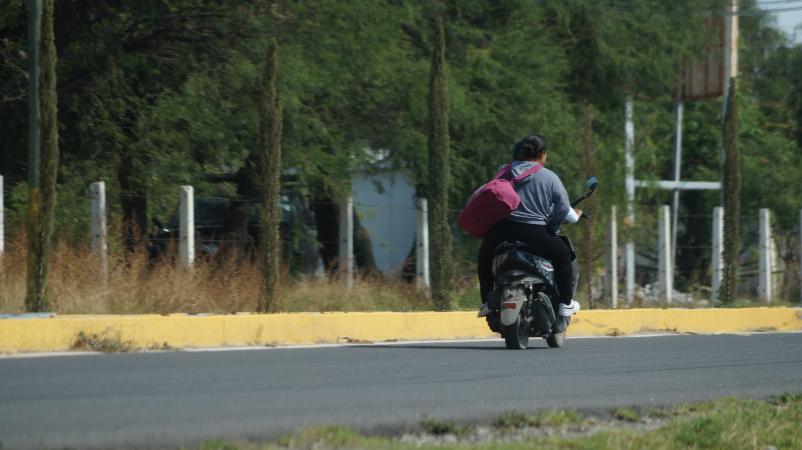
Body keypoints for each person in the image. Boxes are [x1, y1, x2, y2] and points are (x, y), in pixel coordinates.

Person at [477, 134, 581, 318]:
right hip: (535, 232)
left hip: (501, 230)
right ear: (542, 154)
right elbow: (564, 210)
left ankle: (486, 301)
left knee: (484, 258)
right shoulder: (549, 177)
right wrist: (554, 226)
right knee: (564, 256)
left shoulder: (504, 171)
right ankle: (565, 303)